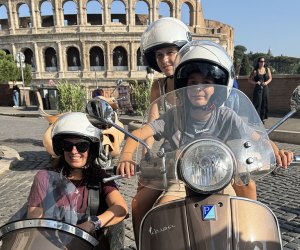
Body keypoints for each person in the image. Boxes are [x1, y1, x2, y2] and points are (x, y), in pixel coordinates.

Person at [117, 41, 293, 223]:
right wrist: (126, 156)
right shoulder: (173, 116)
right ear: (183, 86)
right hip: (180, 179)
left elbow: (257, 137)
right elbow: (139, 133)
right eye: (192, 83)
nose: (197, 88)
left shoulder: (226, 116)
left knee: (249, 187)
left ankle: (249, 234)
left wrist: (276, 151)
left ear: (218, 87)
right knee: (140, 204)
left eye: (206, 83)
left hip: (221, 176)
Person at [128, 17, 192, 245]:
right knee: (138, 205)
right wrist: (140, 152)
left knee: (246, 187)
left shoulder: (201, 80)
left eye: (170, 52)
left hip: (204, 157)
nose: (165, 59)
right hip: (170, 160)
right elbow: (152, 124)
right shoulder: (159, 86)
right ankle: (144, 245)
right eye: (159, 55)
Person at [27, 112, 128, 250]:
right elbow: (34, 219)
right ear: (60, 148)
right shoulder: (45, 177)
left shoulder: (100, 177)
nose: (74, 151)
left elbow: (120, 207)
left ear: (92, 148)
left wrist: (92, 224)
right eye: (67, 145)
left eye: (81, 146)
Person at [248, 57, 272, 123]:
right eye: (261, 61)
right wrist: (255, 83)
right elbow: (249, 80)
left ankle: (262, 119)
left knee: (264, 102)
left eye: (264, 61)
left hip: (265, 88)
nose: (262, 63)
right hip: (258, 89)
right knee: (257, 103)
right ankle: (256, 119)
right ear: (258, 62)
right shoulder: (255, 71)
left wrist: (266, 83)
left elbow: (270, 78)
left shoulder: (267, 69)